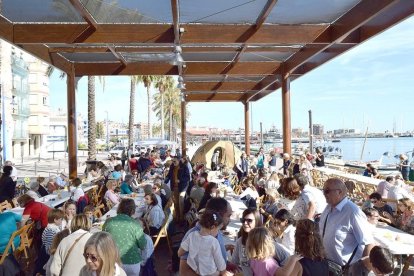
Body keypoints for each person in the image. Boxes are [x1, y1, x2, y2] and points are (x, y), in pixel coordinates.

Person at [319, 178, 374, 269]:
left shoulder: (353, 212)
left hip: (345, 269)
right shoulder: (328, 208)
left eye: (327, 191)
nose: (324, 194)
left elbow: (368, 243)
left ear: (339, 192)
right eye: (323, 191)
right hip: (326, 264)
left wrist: (361, 269)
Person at [179, 197, 235, 276]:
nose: (230, 220)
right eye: (228, 216)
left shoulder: (214, 229)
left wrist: (227, 258)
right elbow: (184, 272)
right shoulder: (194, 236)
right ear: (218, 215)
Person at [103, 198, 146, 276]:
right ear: (132, 210)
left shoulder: (108, 222)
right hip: (132, 263)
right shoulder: (136, 224)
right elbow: (143, 245)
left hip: (114, 262)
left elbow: (102, 239)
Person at [178, 210, 227, 275]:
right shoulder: (214, 242)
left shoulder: (191, 235)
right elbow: (220, 262)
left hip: (196, 271)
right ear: (212, 227)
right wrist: (224, 273)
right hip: (211, 273)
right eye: (218, 230)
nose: (218, 232)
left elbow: (180, 253)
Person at [232, 208, 263, 276]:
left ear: (257, 221)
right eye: (243, 220)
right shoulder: (240, 241)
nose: (245, 223)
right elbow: (234, 263)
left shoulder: (265, 241)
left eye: (249, 220)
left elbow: (286, 258)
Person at [164, 156, 190, 222]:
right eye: (172, 161)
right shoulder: (172, 166)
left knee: (180, 201)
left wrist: (180, 180)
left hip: (182, 187)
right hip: (174, 187)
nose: (173, 162)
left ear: (179, 161)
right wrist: (165, 181)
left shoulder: (184, 167)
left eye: (174, 161)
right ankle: (177, 216)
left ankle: (181, 218)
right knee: (175, 202)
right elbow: (169, 175)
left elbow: (187, 178)